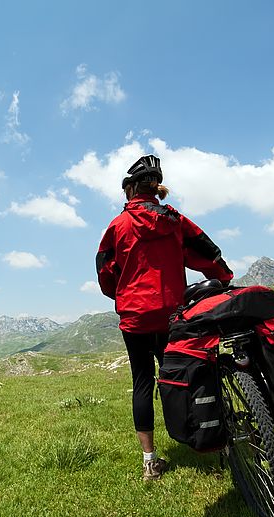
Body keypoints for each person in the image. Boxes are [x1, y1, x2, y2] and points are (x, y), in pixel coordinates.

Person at [95, 154, 233, 481]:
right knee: (192, 376)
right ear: (155, 190)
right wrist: (223, 276)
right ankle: (219, 445)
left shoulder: (117, 227)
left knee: (142, 382)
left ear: (130, 191)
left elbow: (104, 272)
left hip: (136, 318)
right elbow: (206, 252)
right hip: (174, 315)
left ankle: (150, 463)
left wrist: (123, 295)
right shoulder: (175, 221)